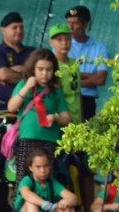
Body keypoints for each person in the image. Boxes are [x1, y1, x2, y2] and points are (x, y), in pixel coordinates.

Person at [6, 49, 72, 185]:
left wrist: (55, 118)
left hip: (49, 141)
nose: (44, 73)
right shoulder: (23, 85)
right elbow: (11, 107)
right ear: (33, 69)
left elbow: (66, 118)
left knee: (46, 180)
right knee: (23, 179)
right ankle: (21, 205)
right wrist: (26, 88)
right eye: (40, 69)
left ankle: (44, 205)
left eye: (49, 69)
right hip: (26, 139)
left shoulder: (56, 92)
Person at [13, 150, 81, 212]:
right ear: (31, 168)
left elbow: (73, 198)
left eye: (46, 166)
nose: (43, 170)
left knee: (66, 204)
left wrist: (61, 204)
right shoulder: (27, 180)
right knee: (30, 202)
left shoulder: (52, 182)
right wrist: (49, 206)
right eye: (38, 167)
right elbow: (27, 195)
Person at [65, 5, 108, 121]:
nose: (71, 27)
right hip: (65, 98)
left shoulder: (99, 48)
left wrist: (72, 81)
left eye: (75, 23)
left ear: (85, 24)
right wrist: (87, 78)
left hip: (87, 100)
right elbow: (59, 77)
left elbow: (100, 79)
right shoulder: (62, 45)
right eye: (68, 23)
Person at [0, 12, 32, 111]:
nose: (19, 31)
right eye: (14, 27)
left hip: (28, 107)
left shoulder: (33, 52)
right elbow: (4, 75)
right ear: (3, 30)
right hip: (1, 108)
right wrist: (30, 77)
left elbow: (42, 74)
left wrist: (13, 72)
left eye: (21, 27)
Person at [48, 23, 83, 125]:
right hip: (63, 116)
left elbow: (78, 92)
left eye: (68, 39)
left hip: (76, 115)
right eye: (59, 40)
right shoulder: (52, 64)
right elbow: (55, 95)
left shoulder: (74, 62)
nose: (64, 43)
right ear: (51, 42)